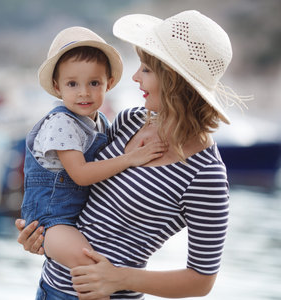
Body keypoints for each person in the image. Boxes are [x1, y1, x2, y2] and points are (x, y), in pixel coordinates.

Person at [17, 10, 249, 299]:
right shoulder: (129, 121)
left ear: (174, 80)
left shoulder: (205, 174)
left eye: (148, 70)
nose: (136, 77)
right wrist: (40, 237)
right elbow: (77, 188)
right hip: (49, 289)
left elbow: (201, 281)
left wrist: (117, 277)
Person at [21, 25, 167, 283]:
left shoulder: (100, 122)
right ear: (57, 87)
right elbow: (80, 174)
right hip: (50, 220)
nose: (84, 92)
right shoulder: (61, 123)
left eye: (94, 83)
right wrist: (131, 158)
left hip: (73, 218)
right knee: (88, 264)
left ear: (108, 84)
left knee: (93, 267)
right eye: (72, 84)